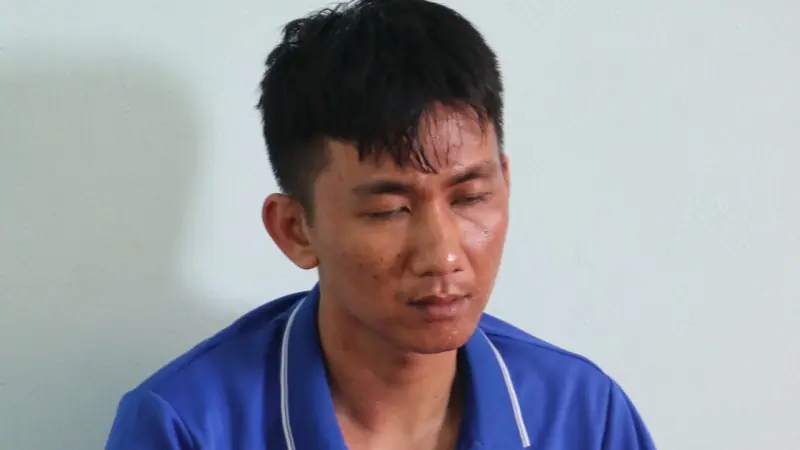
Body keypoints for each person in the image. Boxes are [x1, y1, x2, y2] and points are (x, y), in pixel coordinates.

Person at [105, 0, 656, 448]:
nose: (443, 256)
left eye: (470, 198)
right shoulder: (186, 428)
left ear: (505, 186)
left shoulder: (583, 416)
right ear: (296, 230)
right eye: (389, 210)